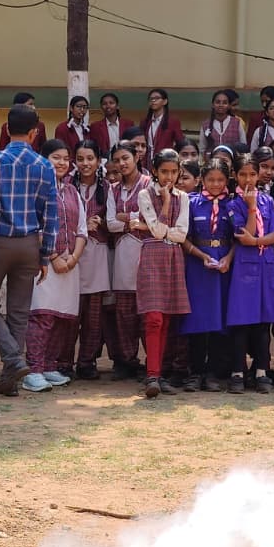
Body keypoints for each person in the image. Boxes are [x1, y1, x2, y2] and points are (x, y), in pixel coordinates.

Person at [0, 103, 58, 396]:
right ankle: (10, 380)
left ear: (6, 129)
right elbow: (51, 215)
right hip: (30, 244)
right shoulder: (45, 166)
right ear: (34, 133)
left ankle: (14, 360)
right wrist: (46, 255)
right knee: (19, 312)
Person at [24, 139, 86, 392]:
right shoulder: (35, 189)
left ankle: (50, 366)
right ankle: (34, 370)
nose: (62, 163)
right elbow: (33, 226)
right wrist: (54, 256)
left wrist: (72, 258)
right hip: (44, 264)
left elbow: (82, 230)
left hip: (70, 265)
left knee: (62, 319)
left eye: (65, 158)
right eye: (56, 158)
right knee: (43, 316)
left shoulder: (72, 191)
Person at [225, 151, 274, 393]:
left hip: (266, 265)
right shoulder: (233, 204)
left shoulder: (268, 201)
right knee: (241, 321)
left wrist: (256, 241)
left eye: (252, 173)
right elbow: (244, 234)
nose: (248, 179)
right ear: (235, 175)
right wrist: (251, 208)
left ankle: (262, 370)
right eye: (243, 174)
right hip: (244, 267)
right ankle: (238, 371)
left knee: (264, 322)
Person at [134, 149, 191, 397]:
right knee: (153, 317)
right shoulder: (145, 194)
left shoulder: (185, 198)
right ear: (155, 171)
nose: (169, 176)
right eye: (164, 171)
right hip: (152, 257)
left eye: (174, 171)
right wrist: (166, 204)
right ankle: (152, 374)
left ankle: (158, 373)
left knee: (167, 317)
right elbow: (157, 232)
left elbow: (182, 234)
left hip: (173, 258)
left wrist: (155, 227)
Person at [181, 156, 235, 392]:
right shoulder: (191, 203)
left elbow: (238, 238)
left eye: (220, 180)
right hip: (197, 264)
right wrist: (200, 255)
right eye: (210, 179)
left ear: (227, 180)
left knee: (219, 319)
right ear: (201, 179)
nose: (215, 184)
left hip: (223, 265)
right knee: (197, 319)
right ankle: (195, 372)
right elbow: (183, 237)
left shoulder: (232, 204)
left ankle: (214, 372)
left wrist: (228, 259)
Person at [106, 139, 152, 379]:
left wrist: (127, 217)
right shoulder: (114, 188)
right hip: (123, 254)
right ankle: (127, 361)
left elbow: (151, 220)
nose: (121, 163)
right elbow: (110, 224)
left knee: (146, 311)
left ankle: (152, 361)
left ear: (137, 158)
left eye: (125, 158)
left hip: (145, 252)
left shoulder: (149, 185)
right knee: (124, 313)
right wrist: (133, 221)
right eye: (117, 160)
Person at [71, 139, 111, 380]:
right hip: (72, 256)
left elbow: (115, 223)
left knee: (93, 314)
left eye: (90, 159)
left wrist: (102, 224)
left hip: (97, 253)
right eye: (80, 159)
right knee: (71, 312)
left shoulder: (108, 187)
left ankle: (87, 362)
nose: (85, 164)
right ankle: (63, 360)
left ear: (98, 161)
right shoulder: (66, 185)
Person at [140, 89, 183, 169]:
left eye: (156, 98)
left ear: (165, 101)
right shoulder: (145, 122)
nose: (153, 100)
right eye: (151, 99)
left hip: (164, 161)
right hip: (146, 161)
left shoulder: (173, 122)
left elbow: (180, 142)